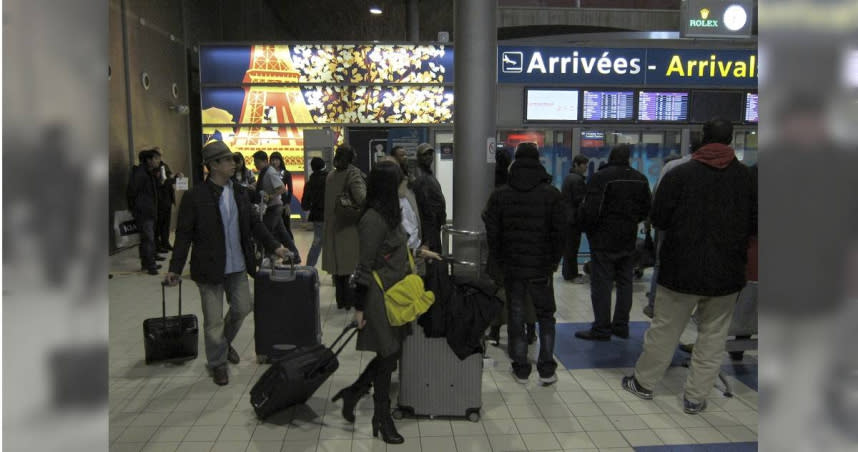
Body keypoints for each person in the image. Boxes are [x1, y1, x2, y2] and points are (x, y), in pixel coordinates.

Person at [622, 119, 755, 415]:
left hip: (680, 270)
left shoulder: (681, 174)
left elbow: (659, 219)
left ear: (702, 139)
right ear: (730, 140)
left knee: (665, 331)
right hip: (727, 273)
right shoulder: (747, 178)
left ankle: (643, 384)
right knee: (713, 337)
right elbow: (756, 224)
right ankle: (695, 397)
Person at [331, 160, 439, 445]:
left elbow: (395, 252)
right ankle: (382, 417)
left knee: (390, 354)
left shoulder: (390, 213)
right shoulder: (373, 219)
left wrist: (420, 254)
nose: (406, 184)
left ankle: (354, 393)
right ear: (389, 186)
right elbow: (364, 266)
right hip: (379, 297)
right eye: (402, 180)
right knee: (389, 353)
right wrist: (359, 308)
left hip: (398, 293)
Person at [165, 141, 291, 386]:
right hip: (208, 268)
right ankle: (217, 363)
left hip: (237, 265)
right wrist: (175, 269)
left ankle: (222, 344)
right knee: (212, 322)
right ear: (212, 165)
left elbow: (256, 224)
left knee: (243, 308)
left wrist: (276, 246)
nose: (234, 164)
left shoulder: (240, 193)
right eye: (228, 160)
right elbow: (183, 236)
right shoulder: (195, 197)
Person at [483, 142, 566, 385]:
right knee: (546, 316)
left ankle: (521, 367)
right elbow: (560, 232)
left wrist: (500, 259)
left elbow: (493, 232)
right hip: (541, 267)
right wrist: (553, 261)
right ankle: (547, 368)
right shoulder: (551, 194)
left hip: (513, 266)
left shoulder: (501, 194)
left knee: (516, 314)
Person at [575, 144, 651, 341]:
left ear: (610, 157)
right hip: (628, 238)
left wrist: (587, 229)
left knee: (602, 284)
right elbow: (646, 209)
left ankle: (601, 328)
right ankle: (621, 326)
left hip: (603, 238)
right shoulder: (640, 179)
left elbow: (591, 209)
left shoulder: (602, 177)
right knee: (625, 282)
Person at [485, 148, 537, 347]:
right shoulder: (542, 189)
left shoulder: (497, 189)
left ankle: (497, 332)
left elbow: (489, 218)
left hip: (505, 252)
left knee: (501, 292)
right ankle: (530, 331)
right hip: (532, 253)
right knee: (528, 294)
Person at [323, 145, 366, 309]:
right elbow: (361, 198)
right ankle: (349, 301)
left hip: (333, 224)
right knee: (350, 265)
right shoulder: (353, 173)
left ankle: (341, 300)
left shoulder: (331, 175)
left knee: (338, 268)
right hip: (349, 225)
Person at [253, 150, 301, 262]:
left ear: (264, 161)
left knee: (266, 232)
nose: (255, 165)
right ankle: (295, 256)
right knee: (283, 234)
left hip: (274, 208)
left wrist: (270, 196)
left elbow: (282, 188)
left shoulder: (270, 172)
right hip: (273, 207)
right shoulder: (264, 172)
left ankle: (266, 256)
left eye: (257, 162)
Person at [126, 147, 162, 274]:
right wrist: (135, 208)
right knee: (148, 239)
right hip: (144, 212)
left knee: (147, 239)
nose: (158, 161)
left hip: (149, 210)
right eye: (156, 159)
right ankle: (150, 265)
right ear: (149, 160)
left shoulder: (149, 173)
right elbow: (131, 192)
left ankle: (146, 263)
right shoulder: (140, 174)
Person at [412, 143, 447, 252]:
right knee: (432, 258)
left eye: (430, 154)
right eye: (425, 155)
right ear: (418, 157)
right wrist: (427, 238)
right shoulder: (420, 176)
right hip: (429, 227)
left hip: (435, 224)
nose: (428, 157)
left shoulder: (428, 174)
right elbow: (424, 206)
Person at [560, 154, 589, 283]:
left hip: (567, 217)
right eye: (583, 165)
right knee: (572, 247)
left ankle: (569, 273)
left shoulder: (569, 178)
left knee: (569, 247)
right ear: (576, 164)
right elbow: (579, 200)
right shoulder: (577, 180)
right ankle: (571, 274)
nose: (585, 167)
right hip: (573, 219)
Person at [153, 150, 184, 253]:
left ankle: (165, 243)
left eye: (160, 156)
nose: (159, 159)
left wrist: (177, 177)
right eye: (157, 157)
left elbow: (169, 178)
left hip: (168, 198)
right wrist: (174, 178)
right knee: (159, 225)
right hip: (159, 200)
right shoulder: (153, 170)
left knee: (166, 224)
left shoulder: (164, 166)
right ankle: (158, 245)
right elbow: (163, 182)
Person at [300, 157, 328, 267]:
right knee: (332, 246)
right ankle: (336, 275)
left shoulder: (310, 183)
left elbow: (304, 205)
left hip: (317, 217)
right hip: (331, 216)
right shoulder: (330, 179)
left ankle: (309, 269)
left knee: (316, 243)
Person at [269, 151, 294, 235]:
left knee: (286, 227)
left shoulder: (286, 173)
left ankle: (291, 246)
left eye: (276, 160)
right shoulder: (268, 173)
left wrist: (287, 204)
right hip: (271, 203)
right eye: (272, 160)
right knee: (273, 228)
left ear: (280, 161)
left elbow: (290, 190)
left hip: (283, 203)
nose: (274, 162)